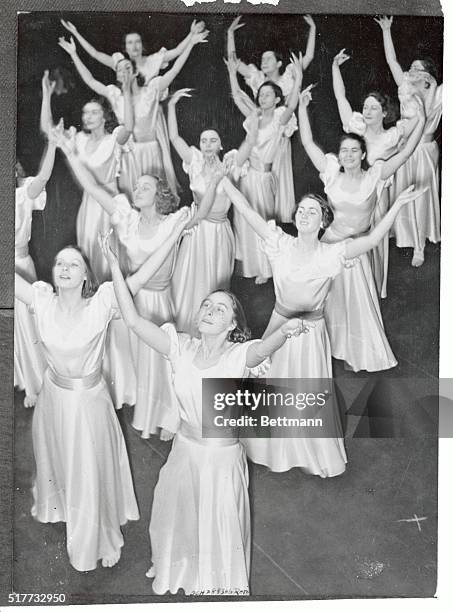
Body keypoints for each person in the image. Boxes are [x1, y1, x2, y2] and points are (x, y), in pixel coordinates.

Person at [100, 230, 308, 595]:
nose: (210, 310)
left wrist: (286, 332)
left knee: (218, 523)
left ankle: (217, 586)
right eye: (207, 306)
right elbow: (132, 321)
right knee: (177, 516)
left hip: (221, 460)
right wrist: (115, 266)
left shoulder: (239, 355)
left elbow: (262, 351)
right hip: (184, 451)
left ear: (232, 324)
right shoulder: (178, 346)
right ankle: (178, 568)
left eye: (221, 308)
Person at [221, 177, 424, 475]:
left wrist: (396, 206)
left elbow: (370, 241)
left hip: (309, 332)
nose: (304, 214)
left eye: (312, 211)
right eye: (301, 210)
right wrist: (224, 182)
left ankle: (307, 450)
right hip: (278, 325)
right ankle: (270, 446)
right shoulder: (281, 243)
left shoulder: (331, 254)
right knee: (271, 382)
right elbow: (248, 211)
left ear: (323, 220)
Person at [54, 123, 205, 440]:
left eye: (145, 187)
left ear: (159, 195)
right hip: (128, 297)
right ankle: (134, 398)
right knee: (127, 352)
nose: (137, 190)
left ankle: (167, 415)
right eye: (137, 186)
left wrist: (215, 183)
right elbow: (94, 189)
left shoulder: (173, 221)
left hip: (157, 300)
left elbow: (201, 213)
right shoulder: (127, 216)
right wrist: (68, 152)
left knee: (157, 360)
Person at [14, 246, 139, 572]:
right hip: (53, 397)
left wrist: (113, 262)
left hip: (88, 405)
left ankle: (99, 537)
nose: (65, 268)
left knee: (88, 469)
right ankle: (57, 505)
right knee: (57, 457)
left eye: (74, 263)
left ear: (86, 276)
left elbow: (140, 280)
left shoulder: (101, 303)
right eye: (59, 262)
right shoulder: (41, 299)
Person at [298, 84, 426, 372]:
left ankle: (355, 353)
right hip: (331, 244)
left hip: (357, 248)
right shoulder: (331, 171)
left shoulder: (375, 175)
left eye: (354, 151)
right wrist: (302, 107)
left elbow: (405, 153)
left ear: (362, 154)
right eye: (344, 150)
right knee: (327, 301)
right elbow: (307, 143)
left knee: (357, 307)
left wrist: (424, 121)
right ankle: (327, 347)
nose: (348, 155)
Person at [58, 28, 208, 199]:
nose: (124, 71)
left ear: (135, 72)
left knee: (155, 197)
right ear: (117, 76)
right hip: (129, 155)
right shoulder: (115, 95)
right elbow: (90, 80)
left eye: (128, 67)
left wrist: (191, 45)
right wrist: (74, 54)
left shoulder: (151, 89)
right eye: (120, 70)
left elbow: (173, 71)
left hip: (151, 152)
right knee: (132, 199)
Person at [331, 48, 418, 297]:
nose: (367, 111)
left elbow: (417, 121)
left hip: (379, 194)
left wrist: (416, 96)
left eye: (372, 108)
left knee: (375, 240)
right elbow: (341, 99)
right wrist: (335, 68)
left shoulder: (391, 135)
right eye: (365, 107)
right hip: (354, 193)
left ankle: (374, 286)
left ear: (384, 113)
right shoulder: (356, 128)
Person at [168, 88, 251, 334]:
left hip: (219, 232)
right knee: (187, 280)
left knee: (215, 281)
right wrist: (172, 104)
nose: (207, 144)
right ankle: (187, 326)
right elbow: (174, 137)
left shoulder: (230, 165)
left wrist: (253, 117)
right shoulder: (193, 161)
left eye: (213, 140)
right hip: (197, 230)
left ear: (221, 144)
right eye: (204, 140)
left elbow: (250, 141)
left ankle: (215, 329)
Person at [40, 69, 133, 283]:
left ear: (104, 116)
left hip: (110, 207)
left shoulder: (113, 140)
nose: (87, 117)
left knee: (110, 260)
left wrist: (126, 90)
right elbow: (49, 129)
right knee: (89, 255)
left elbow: (129, 127)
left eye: (93, 112)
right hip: (88, 207)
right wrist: (46, 95)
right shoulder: (79, 139)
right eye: (85, 113)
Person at [226, 15, 316, 224]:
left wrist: (313, 28)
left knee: (276, 175)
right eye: (262, 59)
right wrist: (230, 34)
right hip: (260, 126)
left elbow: (308, 57)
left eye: (268, 59)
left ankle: (277, 216)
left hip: (279, 130)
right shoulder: (257, 78)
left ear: (279, 63)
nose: (263, 62)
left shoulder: (288, 77)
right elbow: (234, 64)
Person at [226, 54, 302, 284]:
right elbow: (238, 97)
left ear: (277, 99)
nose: (263, 97)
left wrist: (298, 78)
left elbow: (293, 104)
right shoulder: (254, 117)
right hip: (247, 176)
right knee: (243, 220)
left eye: (268, 94)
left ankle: (268, 268)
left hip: (264, 177)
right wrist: (231, 73)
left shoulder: (280, 118)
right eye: (261, 95)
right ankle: (251, 266)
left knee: (263, 222)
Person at [375, 15, 442, 267]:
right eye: (410, 68)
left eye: (417, 69)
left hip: (424, 150)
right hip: (405, 149)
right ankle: (403, 235)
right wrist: (386, 30)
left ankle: (420, 246)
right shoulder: (404, 87)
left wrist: (433, 87)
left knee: (421, 195)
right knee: (403, 192)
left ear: (428, 76)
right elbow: (391, 60)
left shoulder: (440, 92)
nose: (410, 71)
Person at [15, 138, 57, 407]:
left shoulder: (23, 194)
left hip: (19, 266)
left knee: (26, 326)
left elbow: (43, 176)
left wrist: (53, 143)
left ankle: (34, 382)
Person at [61, 18, 206, 84]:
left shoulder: (154, 60)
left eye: (137, 42)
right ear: (125, 47)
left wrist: (191, 34)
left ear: (142, 45)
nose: (134, 46)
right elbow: (94, 53)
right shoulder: (120, 62)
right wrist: (76, 33)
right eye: (130, 43)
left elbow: (177, 51)